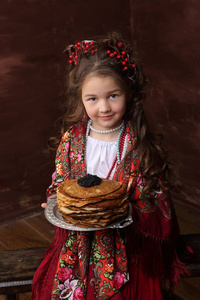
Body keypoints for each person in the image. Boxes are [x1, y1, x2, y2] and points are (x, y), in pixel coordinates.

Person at [31, 32, 187, 300]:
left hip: (125, 246)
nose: (104, 107)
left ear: (128, 93)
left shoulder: (135, 145)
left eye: (113, 96)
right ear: (80, 98)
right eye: (92, 99)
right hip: (77, 244)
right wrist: (56, 198)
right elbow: (61, 180)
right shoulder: (73, 139)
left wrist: (127, 209)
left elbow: (153, 196)